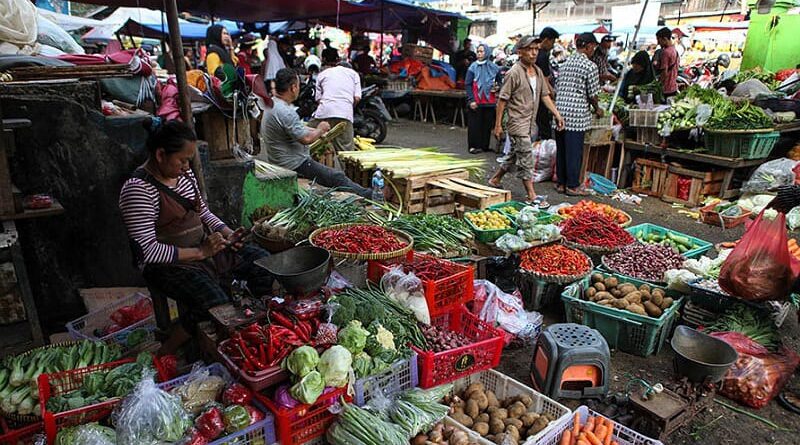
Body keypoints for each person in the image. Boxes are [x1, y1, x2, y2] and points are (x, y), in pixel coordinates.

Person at [119, 119, 274, 352]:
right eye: (182, 159)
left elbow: (203, 213)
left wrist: (227, 233)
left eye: (189, 160)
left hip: (204, 250)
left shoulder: (185, 175)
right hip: (167, 265)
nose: (186, 166)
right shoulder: (138, 190)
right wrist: (200, 252)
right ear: (160, 154)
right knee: (216, 303)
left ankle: (254, 323)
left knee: (264, 263)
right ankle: (165, 351)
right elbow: (147, 251)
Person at [260, 68, 372, 197]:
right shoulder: (285, 111)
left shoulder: (273, 104)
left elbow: (294, 129)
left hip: (280, 160)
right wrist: (321, 129)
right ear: (293, 87)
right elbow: (306, 139)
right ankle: (369, 195)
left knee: (330, 176)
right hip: (294, 164)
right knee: (336, 177)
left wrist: (315, 130)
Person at [488, 36, 565, 203]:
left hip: (530, 123)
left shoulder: (537, 71)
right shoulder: (513, 73)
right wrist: (498, 125)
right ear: (520, 52)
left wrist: (557, 114)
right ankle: (531, 195)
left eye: (536, 49)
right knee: (526, 158)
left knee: (515, 154)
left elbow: (545, 96)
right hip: (517, 123)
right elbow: (502, 100)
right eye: (530, 49)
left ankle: (495, 179)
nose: (533, 53)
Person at [553, 32, 603, 196]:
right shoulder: (590, 66)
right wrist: (597, 109)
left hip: (559, 112)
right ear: (588, 46)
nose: (593, 50)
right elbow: (593, 94)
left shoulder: (564, 64)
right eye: (593, 47)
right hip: (576, 115)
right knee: (574, 152)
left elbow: (558, 87)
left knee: (562, 150)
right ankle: (573, 185)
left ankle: (561, 183)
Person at [310, 61, 362, 152]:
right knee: (345, 150)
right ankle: (344, 166)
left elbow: (318, 99)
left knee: (311, 141)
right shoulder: (354, 74)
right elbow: (357, 98)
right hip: (344, 114)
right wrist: (348, 108)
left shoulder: (323, 73)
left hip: (324, 112)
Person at [465, 43, 501, 154]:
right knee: (474, 125)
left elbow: (499, 81)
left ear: (487, 53)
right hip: (476, 100)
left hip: (489, 101)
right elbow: (468, 84)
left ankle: (484, 146)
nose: (479, 54)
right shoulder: (473, 67)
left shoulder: (494, 67)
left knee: (487, 125)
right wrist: (471, 100)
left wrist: (497, 87)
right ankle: (473, 146)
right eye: (478, 51)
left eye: (482, 51)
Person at [536, 27, 559, 141]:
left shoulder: (534, 52)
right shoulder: (542, 55)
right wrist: (552, 92)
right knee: (543, 123)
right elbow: (544, 79)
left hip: (531, 94)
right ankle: (545, 145)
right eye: (552, 42)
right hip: (540, 95)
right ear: (546, 40)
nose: (552, 45)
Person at [654, 27, 679, 100]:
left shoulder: (666, 52)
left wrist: (657, 85)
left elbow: (664, 73)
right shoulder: (674, 50)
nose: (658, 43)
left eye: (659, 40)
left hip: (665, 89)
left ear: (665, 39)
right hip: (673, 87)